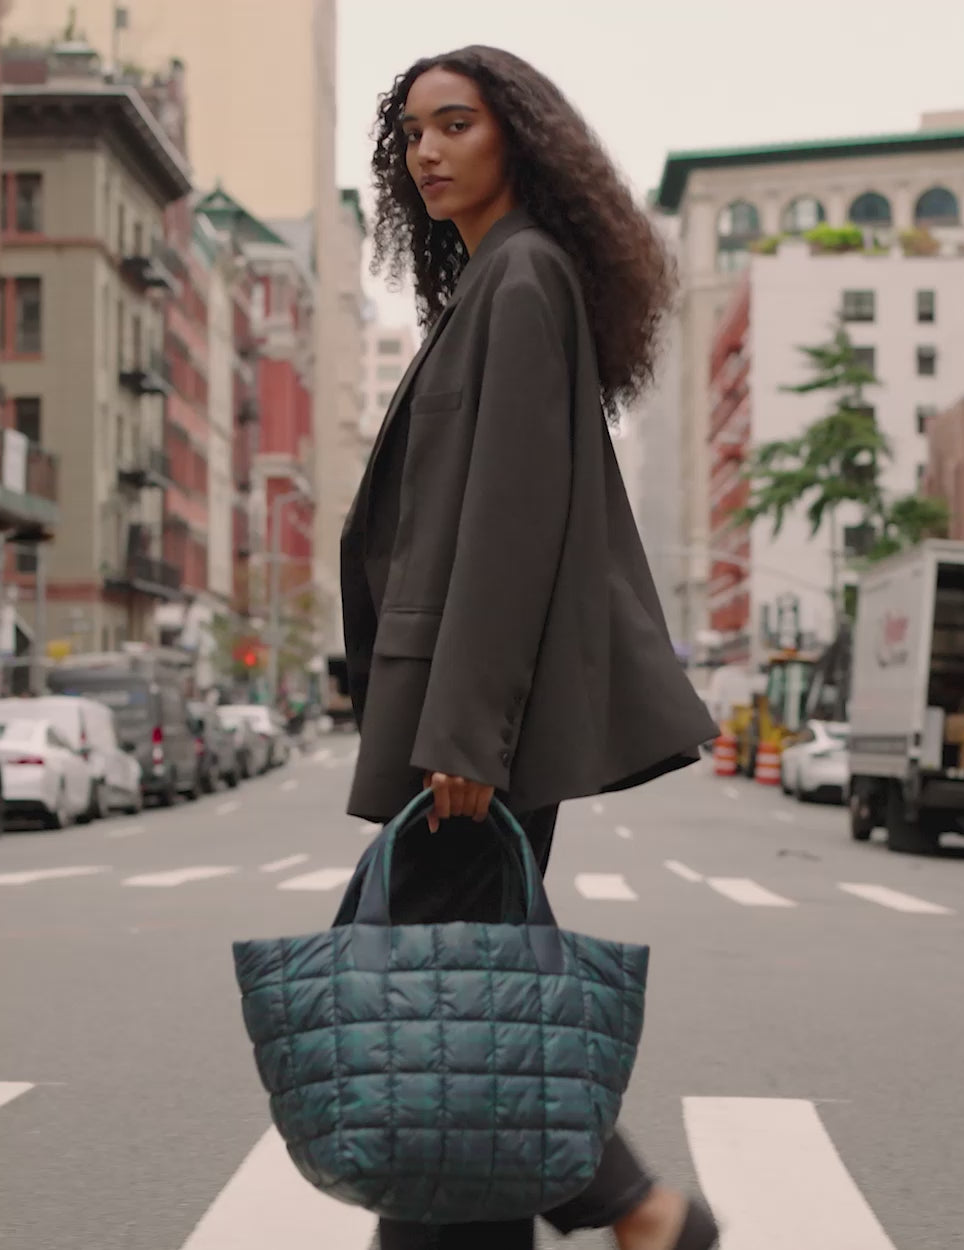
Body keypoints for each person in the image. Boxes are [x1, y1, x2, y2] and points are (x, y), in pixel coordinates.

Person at [340, 45, 721, 1250]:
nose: (429, 151)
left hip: (466, 729)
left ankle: (637, 1203)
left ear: (524, 138)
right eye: (412, 135)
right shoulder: (492, 285)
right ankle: (624, 1205)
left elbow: (509, 530)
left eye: (455, 124)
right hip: (459, 718)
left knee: (421, 998)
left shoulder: (521, 281)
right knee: (448, 1010)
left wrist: (466, 730)